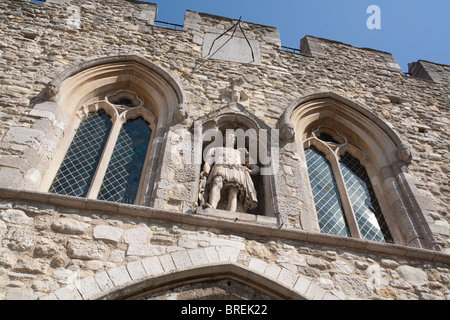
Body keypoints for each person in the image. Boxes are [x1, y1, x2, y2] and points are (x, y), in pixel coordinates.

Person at [200, 131, 259, 212]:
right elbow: (208, 162)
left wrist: (250, 171)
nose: (232, 138)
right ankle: (212, 207)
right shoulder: (216, 150)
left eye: (234, 137)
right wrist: (206, 171)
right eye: (229, 136)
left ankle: (231, 212)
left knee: (233, 191)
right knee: (217, 182)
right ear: (224, 139)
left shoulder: (240, 152)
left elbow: (255, 167)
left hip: (236, 172)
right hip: (220, 169)